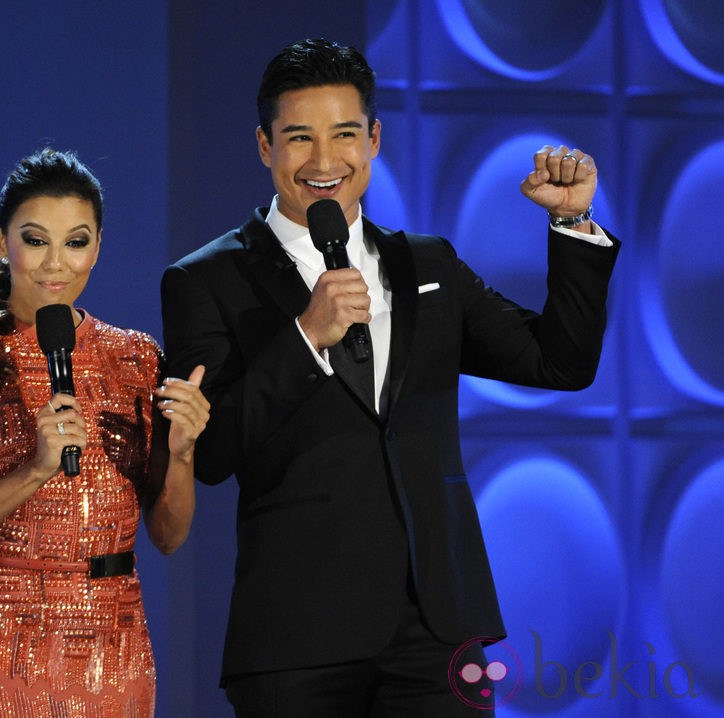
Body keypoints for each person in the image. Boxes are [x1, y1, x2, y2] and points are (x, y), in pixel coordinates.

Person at [160, 38, 619, 716]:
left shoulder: (427, 266)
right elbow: (214, 451)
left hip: (435, 633)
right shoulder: (206, 278)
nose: (324, 161)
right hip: (296, 637)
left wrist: (572, 223)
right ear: (264, 146)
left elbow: (560, 363)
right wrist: (305, 337)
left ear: (373, 140)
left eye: (344, 134)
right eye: (298, 138)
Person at [0, 148, 209, 717]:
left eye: (76, 241)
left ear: (97, 247)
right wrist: (37, 469)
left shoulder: (137, 358)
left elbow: (168, 536)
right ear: (2, 242)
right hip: (1, 638)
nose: (56, 264)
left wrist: (183, 453)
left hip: (113, 636)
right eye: (35, 239)